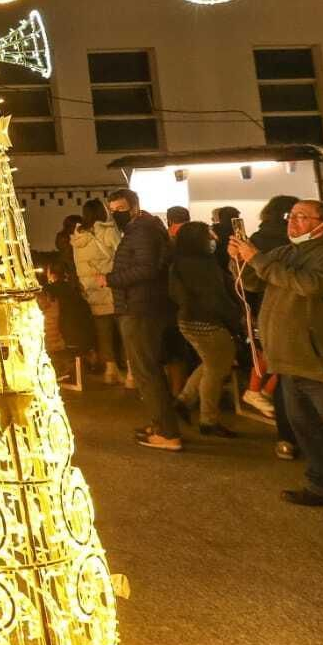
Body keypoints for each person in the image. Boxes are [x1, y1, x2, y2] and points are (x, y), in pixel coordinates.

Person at [230, 200, 323, 527]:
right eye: (292, 216)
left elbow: (310, 285)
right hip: (288, 359)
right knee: (306, 428)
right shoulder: (286, 253)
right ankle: (322, 484)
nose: (292, 222)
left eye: (302, 216)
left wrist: (256, 258)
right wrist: (240, 259)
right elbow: (255, 280)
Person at [102, 188, 182, 451]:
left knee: (146, 370)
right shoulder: (143, 229)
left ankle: (167, 432)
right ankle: (160, 424)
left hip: (139, 307)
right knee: (147, 369)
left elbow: (146, 268)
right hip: (141, 305)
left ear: (135, 207)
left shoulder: (143, 231)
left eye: (121, 209)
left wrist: (110, 279)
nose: (117, 215)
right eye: (112, 211)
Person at [168, 222, 243, 437]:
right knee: (216, 369)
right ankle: (208, 419)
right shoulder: (203, 265)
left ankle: (184, 401)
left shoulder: (179, 262)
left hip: (187, 320)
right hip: (208, 321)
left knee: (213, 363)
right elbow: (216, 298)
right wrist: (235, 318)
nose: (213, 237)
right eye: (208, 233)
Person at [241, 194, 301, 458]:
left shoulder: (258, 239)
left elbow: (247, 281)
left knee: (283, 366)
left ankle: (287, 438)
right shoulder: (293, 244)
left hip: (267, 308)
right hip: (292, 308)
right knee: (290, 369)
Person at [71, 199, 123, 384]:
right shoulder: (108, 231)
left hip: (92, 290)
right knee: (124, 331)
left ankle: (110, 370)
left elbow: (78, 266)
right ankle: (132, 371)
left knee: (104, 332)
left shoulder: (78, 238)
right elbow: (121, 255)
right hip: (112, 287)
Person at [55, 214, 85, 284]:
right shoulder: (68, 240)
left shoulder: (63, 238)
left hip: (71, 272)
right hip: (74, 272)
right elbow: (70, 257)